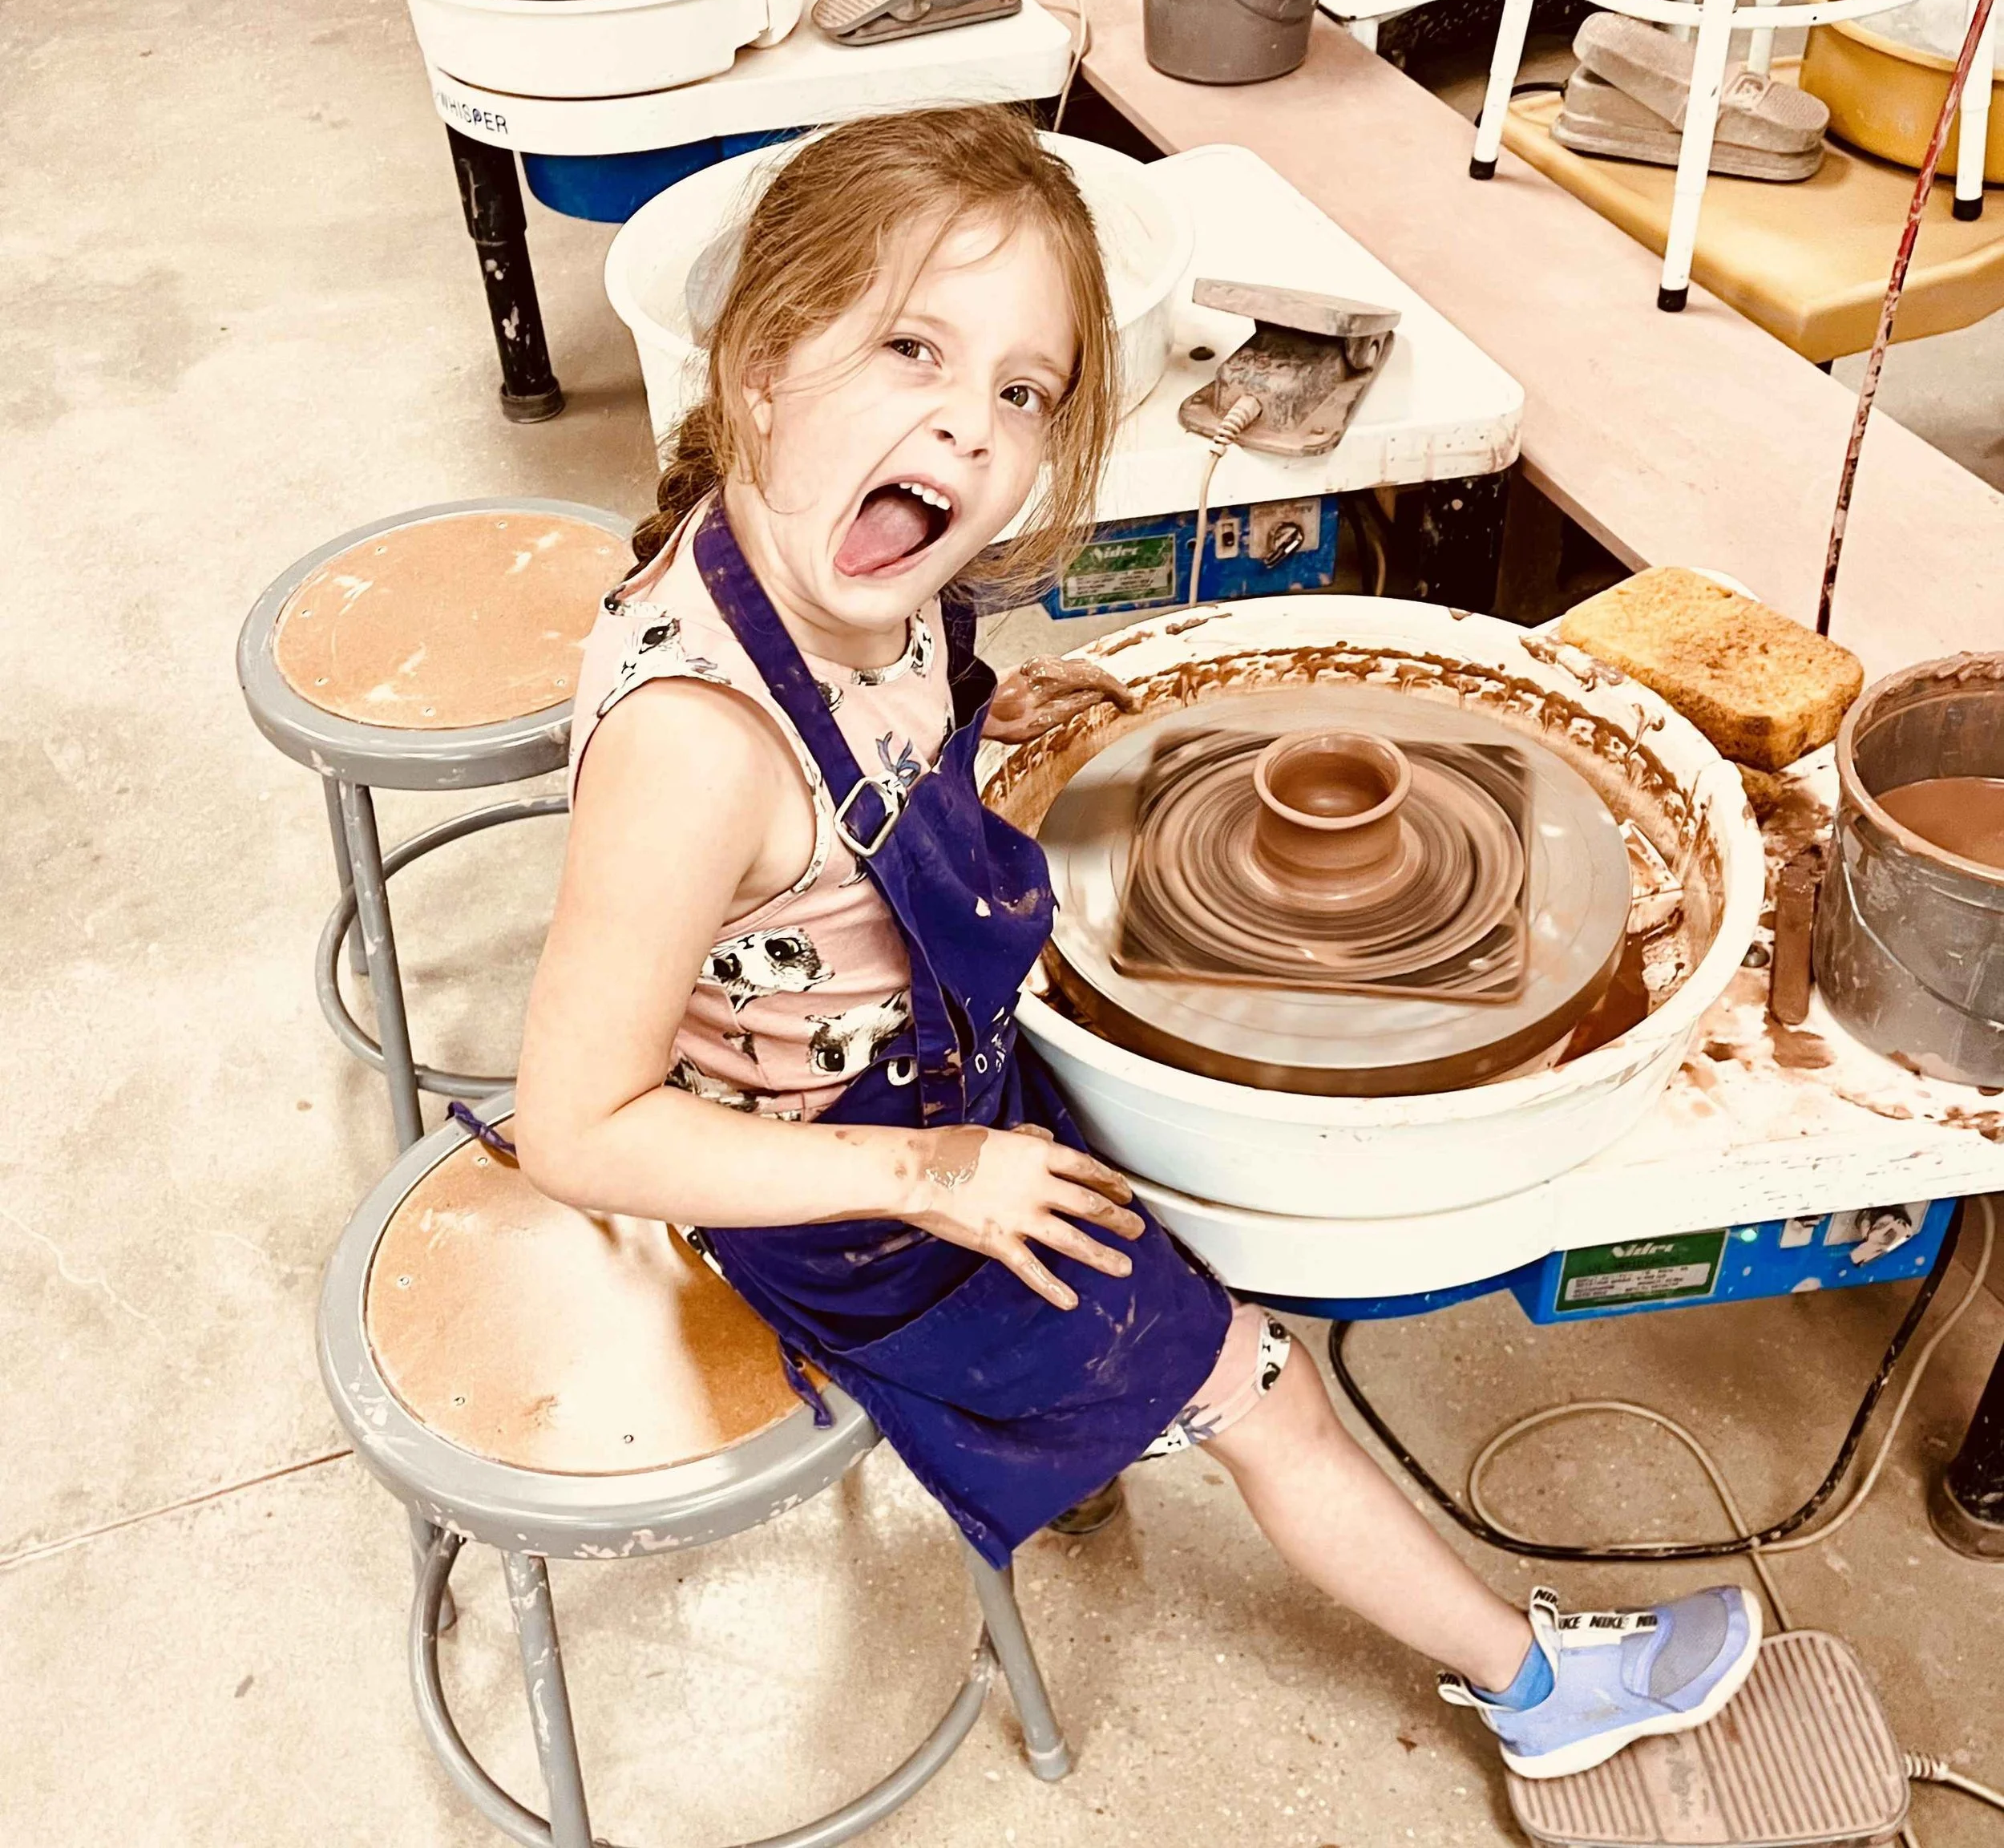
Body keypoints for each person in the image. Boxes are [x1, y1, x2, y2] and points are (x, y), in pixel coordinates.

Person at [512, 105, 1760, 1782]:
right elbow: (577, 1125)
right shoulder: (694, 745)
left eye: (1020, 391)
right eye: (908, 347)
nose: (964, 421)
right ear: (756, 360)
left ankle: (1119, 1395)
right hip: (835, 1190)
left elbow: (840, 794)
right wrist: (941, 1179)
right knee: (1269, 1382)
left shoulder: (851, 576)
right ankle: (1539, 1689)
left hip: (920, 1089)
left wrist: (976, 714)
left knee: (1186, 1167)